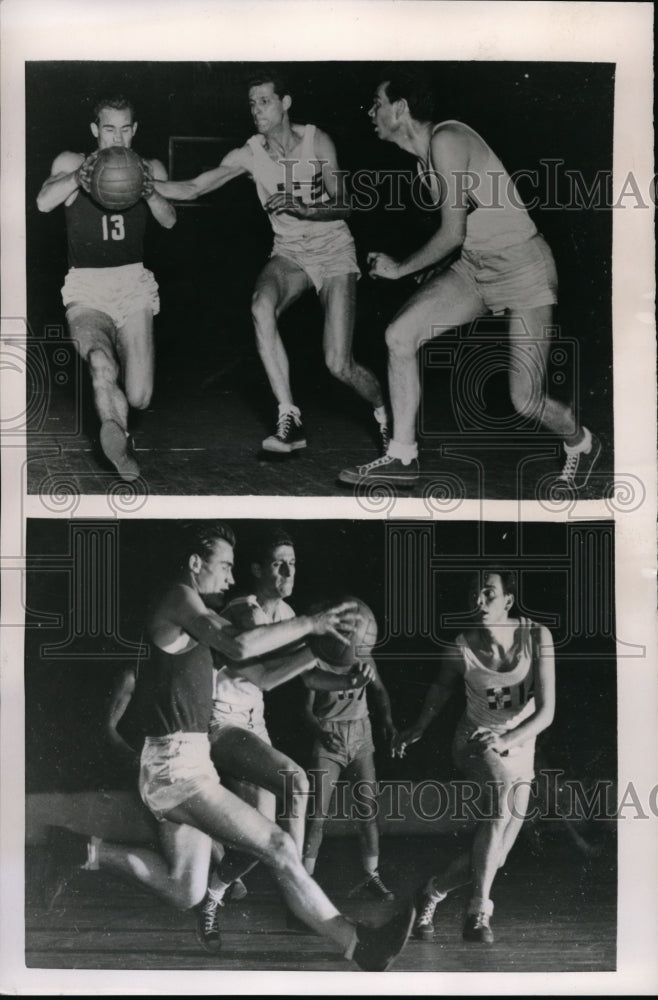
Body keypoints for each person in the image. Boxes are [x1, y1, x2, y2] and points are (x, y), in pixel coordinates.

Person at [45, 522, 414, 971]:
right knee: (278, 844)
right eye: (224, 566)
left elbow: (257, 673)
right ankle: (357, 943)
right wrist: (314, 623)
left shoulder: (201, 617)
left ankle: (83, 851)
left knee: (186, 889)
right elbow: (240, 646)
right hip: (177, 768)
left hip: (182, 765)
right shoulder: (179, 598)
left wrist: (315, 646)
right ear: (195, 564)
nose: (230, 577)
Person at [338, 74, 600, 491]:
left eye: (376, 103)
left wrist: (400, 268)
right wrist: (426, 272)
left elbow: (452, 233)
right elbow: (466, 236)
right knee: (399, 336)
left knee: (525, 399)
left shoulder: (447, 140)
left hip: (522, 265)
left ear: (400, 108)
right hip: (474, 268)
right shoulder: (423, 162)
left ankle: (579, 441)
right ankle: (403, 456)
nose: (371, 113)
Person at [154, 72, 389, 456]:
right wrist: (145, 185)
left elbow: (345, 203)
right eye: (252, 103)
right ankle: (290, 418)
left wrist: (303, 208)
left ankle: (385, 413)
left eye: (264, 101)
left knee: (338, 364)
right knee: (261, 305)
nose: (257, 110)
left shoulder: (316, 140)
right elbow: (194, 187)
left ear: (286, 103)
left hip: (333, 252)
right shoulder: (248, 154)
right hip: (289, 253)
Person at [393, 570, 555, 944]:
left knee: (495, 857)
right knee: (499, 802)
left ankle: (431, 891)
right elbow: (439, 689)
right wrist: (418, 726)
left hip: (518, 746)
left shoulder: (536, 637)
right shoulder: (460, 647)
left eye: (488, 594)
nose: (479, 602)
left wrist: (506, 739)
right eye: (474, 594)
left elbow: (546, 713)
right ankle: (478, 912)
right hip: (474, 742)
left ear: (508, 601)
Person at [36, 95, 176, 481]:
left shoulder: (149, 166)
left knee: (140, 395)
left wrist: (149, 189)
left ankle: (122, 423)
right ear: (95, 130)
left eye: (125, 129)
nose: (117, 137)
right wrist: (81, 175)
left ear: (134, 130)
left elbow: (169, 220)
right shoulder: (71, 161)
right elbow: (44, 202)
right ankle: (118, 440)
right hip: (87, 285)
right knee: (99, 360)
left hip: (133, 284)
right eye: (109, 128)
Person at [302, 643, 398, 903]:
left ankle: (371, 876)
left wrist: (387, 720)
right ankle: (304, 886)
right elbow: (305, 711)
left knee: (368, 811)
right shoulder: (315, 660)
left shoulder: (362, 656)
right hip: (328, 735)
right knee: (316, 816)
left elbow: (380, 690)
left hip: (361, 734)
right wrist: (321, 733)